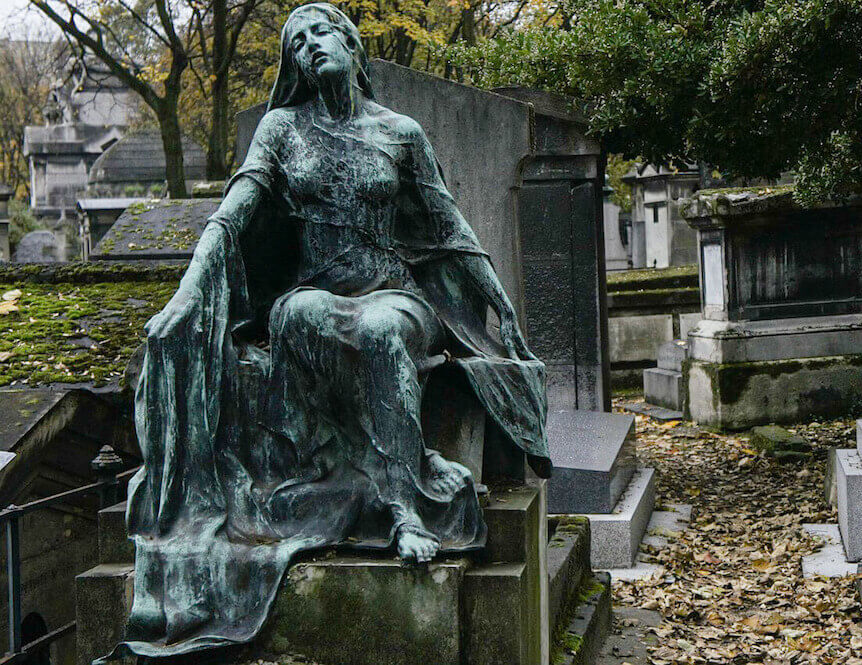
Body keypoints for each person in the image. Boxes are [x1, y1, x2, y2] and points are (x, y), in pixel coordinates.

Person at [104, 4, 549, 660]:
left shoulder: (401, 133)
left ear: (350, 43)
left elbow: (451, 230)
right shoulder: (284, 128)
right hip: (315, 292)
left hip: (397, 298)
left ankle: (404, 506)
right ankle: (311, 464)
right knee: (297, 313)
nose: (311, 47)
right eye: (297, 42)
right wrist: (189, 290)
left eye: (321, 33)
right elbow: (233, 214)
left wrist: (502, 310)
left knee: (376, 328)